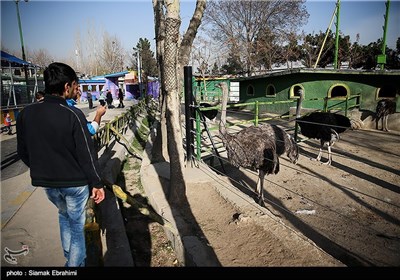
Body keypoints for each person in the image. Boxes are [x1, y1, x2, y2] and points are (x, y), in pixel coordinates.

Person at [16, 62, 105, 267]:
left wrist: (41, 169)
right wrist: (97, 184)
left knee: (64, 217)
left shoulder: (26, 114)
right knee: (76, 226)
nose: (76, 90)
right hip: (74, 184)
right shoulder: (73, 114)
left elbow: (23, 152)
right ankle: (73, 266)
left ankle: (69, 258)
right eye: (75, 86)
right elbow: (87, 155)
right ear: (67, 87)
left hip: (48, 185)